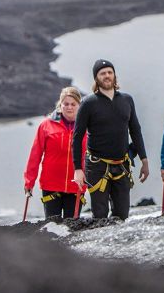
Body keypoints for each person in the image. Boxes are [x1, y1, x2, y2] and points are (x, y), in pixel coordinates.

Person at [72, 60, 149, 220]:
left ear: (114, 75)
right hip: (96, 166)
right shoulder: (88, 103)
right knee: (99, 215)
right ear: (96, 78)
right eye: (102, 73)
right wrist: (78, 169)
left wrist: (144, 159)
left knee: (122, 214)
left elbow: (135, 130)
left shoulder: (127, 100)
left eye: (109, 72)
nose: (107, 76)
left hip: (122, 165)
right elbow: (77, 137)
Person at [24, 86, 87, 219]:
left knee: (72, 229)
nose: (69, 107)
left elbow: (92, 156)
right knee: (51, 228)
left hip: (76, 186)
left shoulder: (86, 127)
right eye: (66, 104)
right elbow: (35, 155)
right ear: (60, 104)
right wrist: (29, 182)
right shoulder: (46, 125)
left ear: (79, 105)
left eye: (73, 104)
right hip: (51, 185)